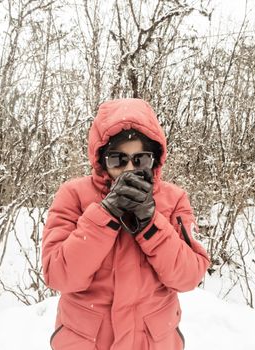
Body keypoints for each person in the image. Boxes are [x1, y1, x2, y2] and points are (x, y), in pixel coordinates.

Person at [42, 98, 210, 350]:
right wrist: (105, 214)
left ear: (154, 159)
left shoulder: (174, 199)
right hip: (86, 342)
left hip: (153, 341)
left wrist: (150, 223)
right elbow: (59, 275)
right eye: (118, 159)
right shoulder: (73, 195)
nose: (129, 169)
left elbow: (188, 277)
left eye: (140, 159)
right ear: (101, 159)